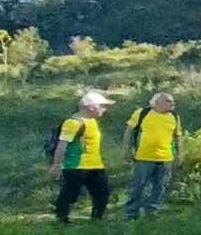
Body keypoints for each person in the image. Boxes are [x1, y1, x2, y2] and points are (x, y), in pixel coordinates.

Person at [52, 90, 114, 223]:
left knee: (102, 193)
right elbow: (62, 145)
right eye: (102, 106)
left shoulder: (93, 122)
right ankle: (61, 220)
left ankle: (97, 220)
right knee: (70, 194)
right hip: (76, 166)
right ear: (91, 107)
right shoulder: (73, 123)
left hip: (96, 165)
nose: (104, 109)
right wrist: (57, 165)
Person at [122, 92, 182, 220]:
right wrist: (127, 150)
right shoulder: (142, 113)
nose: (172, 104)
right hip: (144, 157)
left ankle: (152, 211)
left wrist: (179, 154)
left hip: (166, 158)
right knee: (139, 185)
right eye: (168, 101)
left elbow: (178, 136)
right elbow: (129, 131)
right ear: (158, 102)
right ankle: (131, 213)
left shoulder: (174, 116)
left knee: (161, 186)